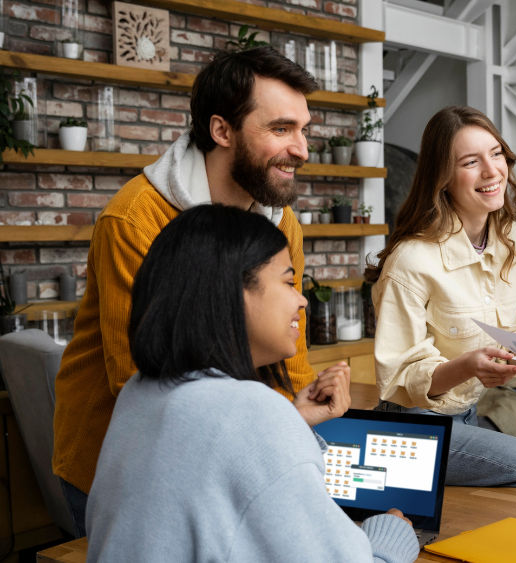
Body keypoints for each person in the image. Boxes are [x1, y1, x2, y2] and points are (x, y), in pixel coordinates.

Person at [52, 46, 325, 537]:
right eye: (281, 129)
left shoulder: (280, 224)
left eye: (304, 130)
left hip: (227, 449)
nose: (302, 149)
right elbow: (140, 378)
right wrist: (277, 432)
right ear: (222, 131)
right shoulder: (136, 219)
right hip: (122, 464)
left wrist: (304, 435)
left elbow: (291, 355)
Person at [86, 205, 418, 563]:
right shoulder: (250, 411)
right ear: (233, 291)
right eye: (289, 282)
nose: (302, 300)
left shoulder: (142, 390)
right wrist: (391, 534)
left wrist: (289, 420)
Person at [363, 106, 516, 489]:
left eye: (497, 153)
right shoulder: (411, 261)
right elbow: (399, 378)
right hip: (415, 430)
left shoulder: (514, 240)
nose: (492, 171)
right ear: (443, 178)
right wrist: (469, 365)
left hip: (467, 415)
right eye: (471, 162)